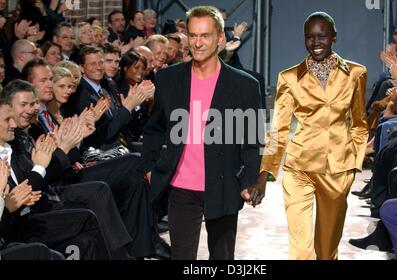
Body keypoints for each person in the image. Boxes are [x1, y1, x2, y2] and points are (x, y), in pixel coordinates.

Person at [142, 5, 263, 260]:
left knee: (222, 258)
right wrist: (150, 167)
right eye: (193, 35)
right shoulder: (168, 79)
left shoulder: (246, 85)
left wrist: (248, 180)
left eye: (205, 35)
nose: (197, 43)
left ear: (220, 38)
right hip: (180, 187)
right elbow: (154, 129)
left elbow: (252, 141)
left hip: (224, 185)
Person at [254, 11, 369, 260]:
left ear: (334, 37)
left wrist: (354, 164)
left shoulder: (356, 73)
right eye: (310, 37)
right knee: (301, 250)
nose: (316, 43)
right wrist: (265, 173)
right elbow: (279, 128)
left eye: (322, 36)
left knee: (326, 252)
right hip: (299, 167)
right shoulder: (289, 77)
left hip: (337, 169)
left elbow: (360, 123)